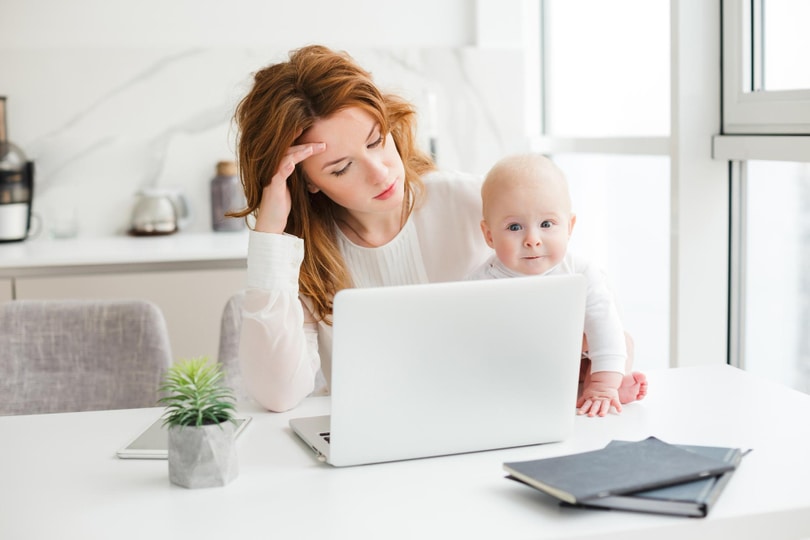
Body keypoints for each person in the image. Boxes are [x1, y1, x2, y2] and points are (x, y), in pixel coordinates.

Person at [232, 45, 492, 411]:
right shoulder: (303, 257)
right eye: (341, 168)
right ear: (306, 182)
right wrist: (270, 234)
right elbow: (278, 394)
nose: (380, 172)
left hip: (485, 419)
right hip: (369, 450)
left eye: (376, 141)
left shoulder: (474, 202)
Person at [467, 153, 647, 417]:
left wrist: (602, 385)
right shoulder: (480, 284)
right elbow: (467, 342)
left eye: (547, 224)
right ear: (489, 235)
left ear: (569, 227)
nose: (532, 239)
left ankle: (605, 387)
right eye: (515, 227)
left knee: (620, 340)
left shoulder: (581, 271)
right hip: (517, 371)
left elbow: (603, 325)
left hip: (573, 361)